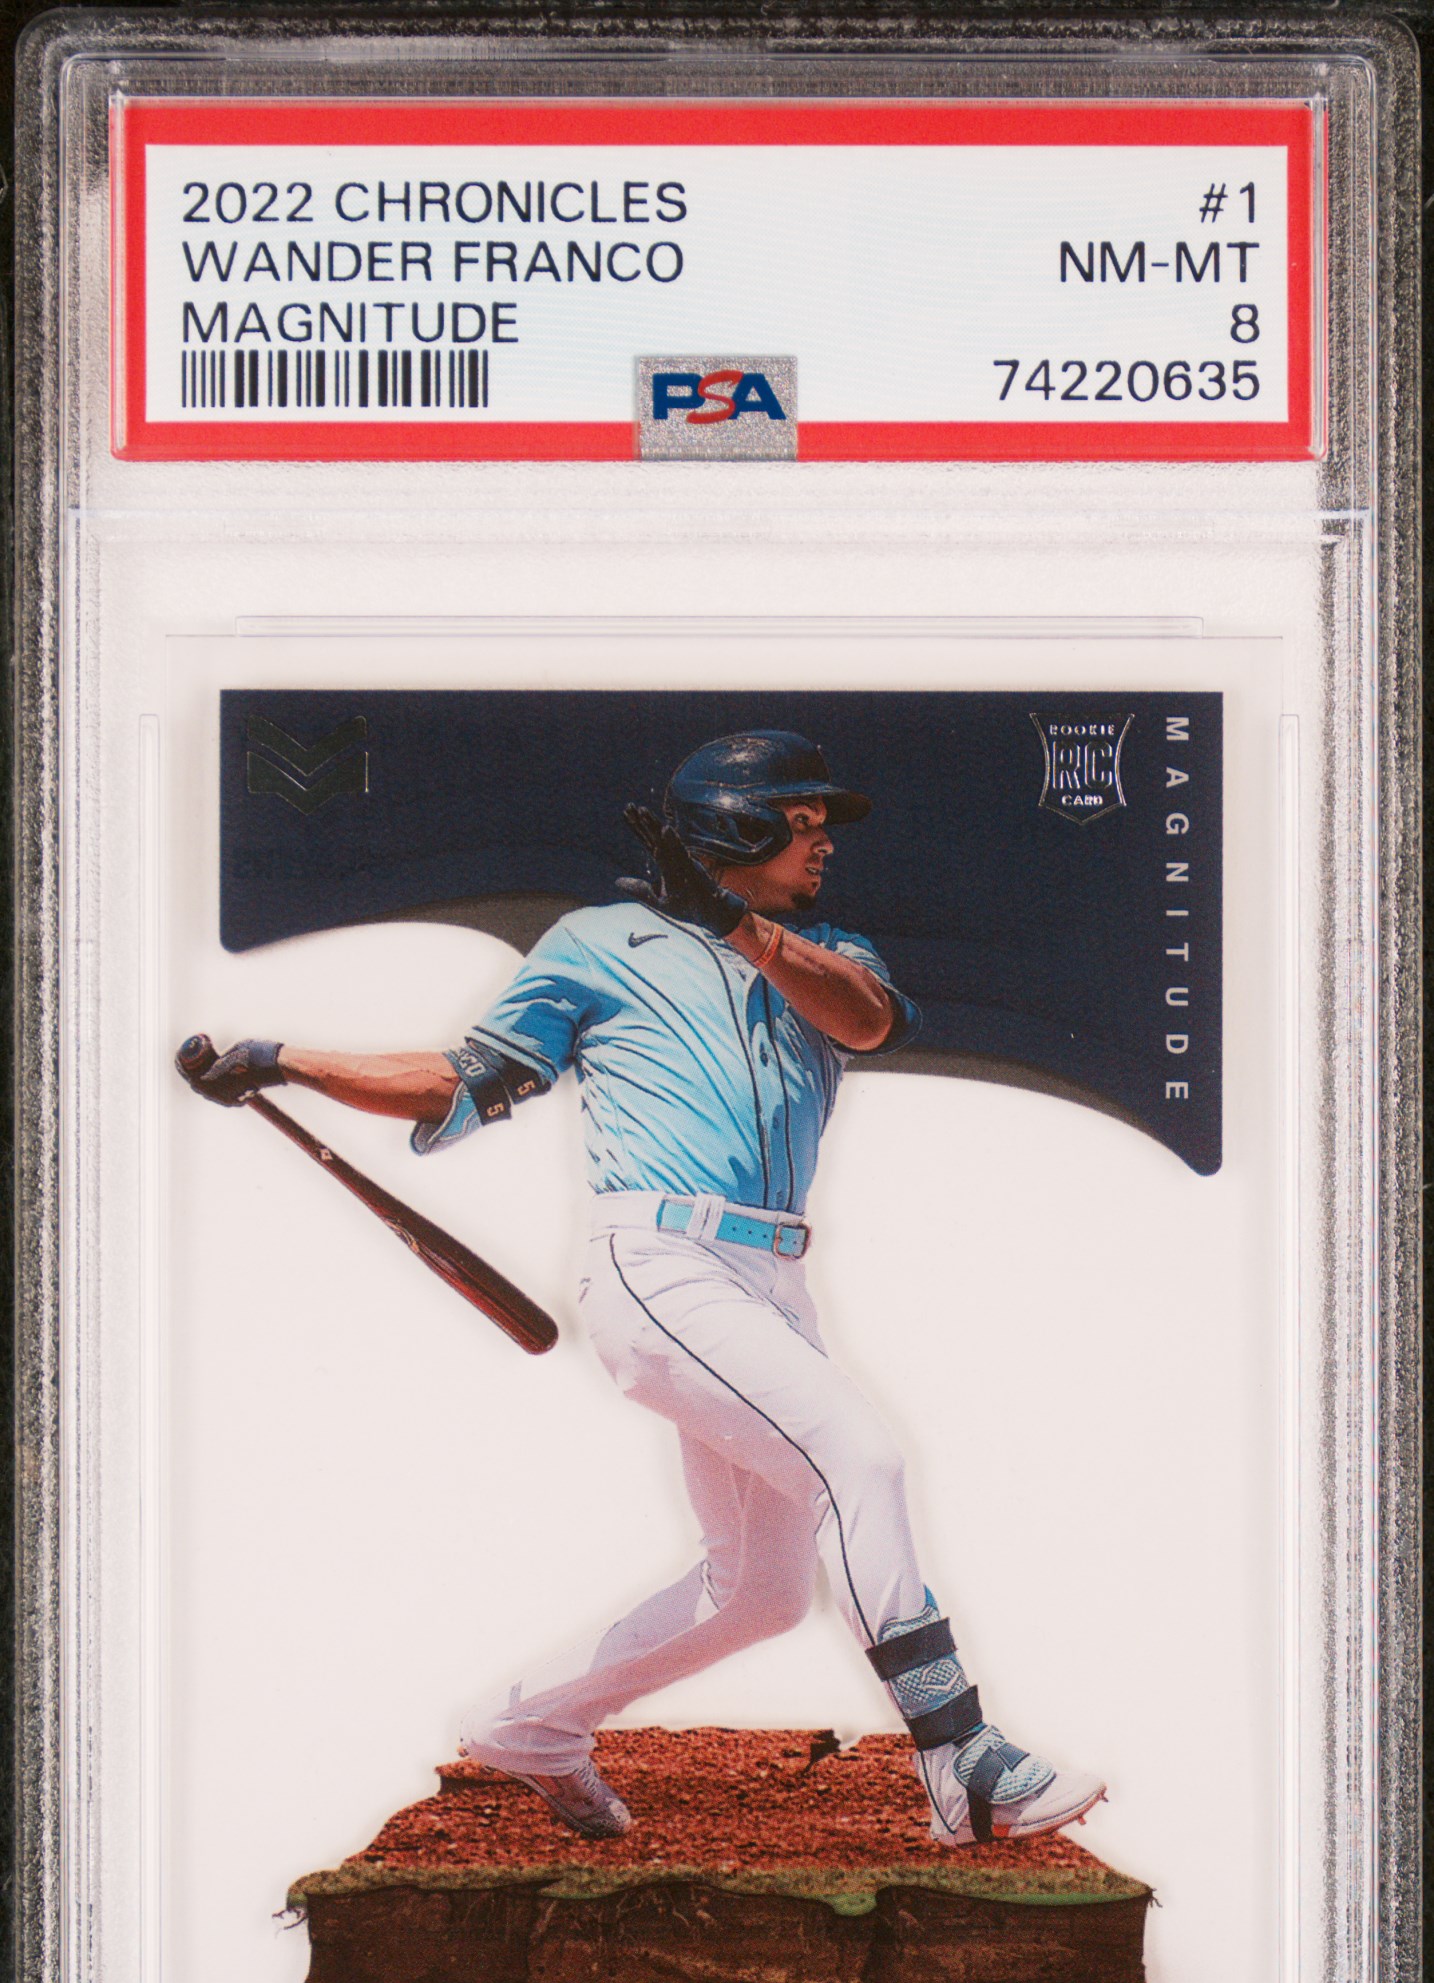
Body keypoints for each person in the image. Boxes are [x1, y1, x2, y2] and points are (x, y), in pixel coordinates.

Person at [195, 730, 1104, 1848]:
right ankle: (959, 1754)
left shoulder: (827, 949)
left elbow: (866, 1021)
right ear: (736, 826)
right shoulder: (596, 942)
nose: (823, 843)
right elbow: (461, 1079)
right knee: (858, 1459)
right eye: (800, 823)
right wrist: (287, 1060)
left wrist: (737, 923)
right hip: (661, 1263)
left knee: (759, 1592)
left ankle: (524, 1726)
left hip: (774, 1281)